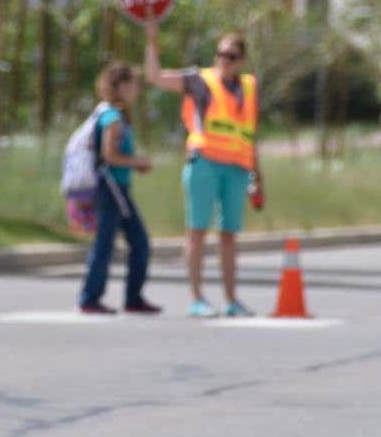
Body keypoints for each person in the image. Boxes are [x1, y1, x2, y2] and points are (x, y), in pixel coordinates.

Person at [143, 20, 264, 318]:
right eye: (220, 54)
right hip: (204, 163)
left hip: (237, 169)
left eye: (231, 56)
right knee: (197, 231)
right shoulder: (200, 81)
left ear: (242, 60)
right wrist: (152, 40)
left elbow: (249, 135)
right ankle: (197, 297)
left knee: (229, 235)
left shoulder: (249, 87)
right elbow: (155, 76)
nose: (224, 60)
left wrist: (257, 177)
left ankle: (231, 299)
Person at [79, 62, 162, 315]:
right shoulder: (113, 118)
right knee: (110, 242)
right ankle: (91, 298)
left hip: (119, 188)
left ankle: (132, 297)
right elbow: (109, 155)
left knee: (137, 242)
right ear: (120, 86)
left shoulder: (117, 115)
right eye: (133, 84)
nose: (136, 89)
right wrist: (138, 162)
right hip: (111, 188)